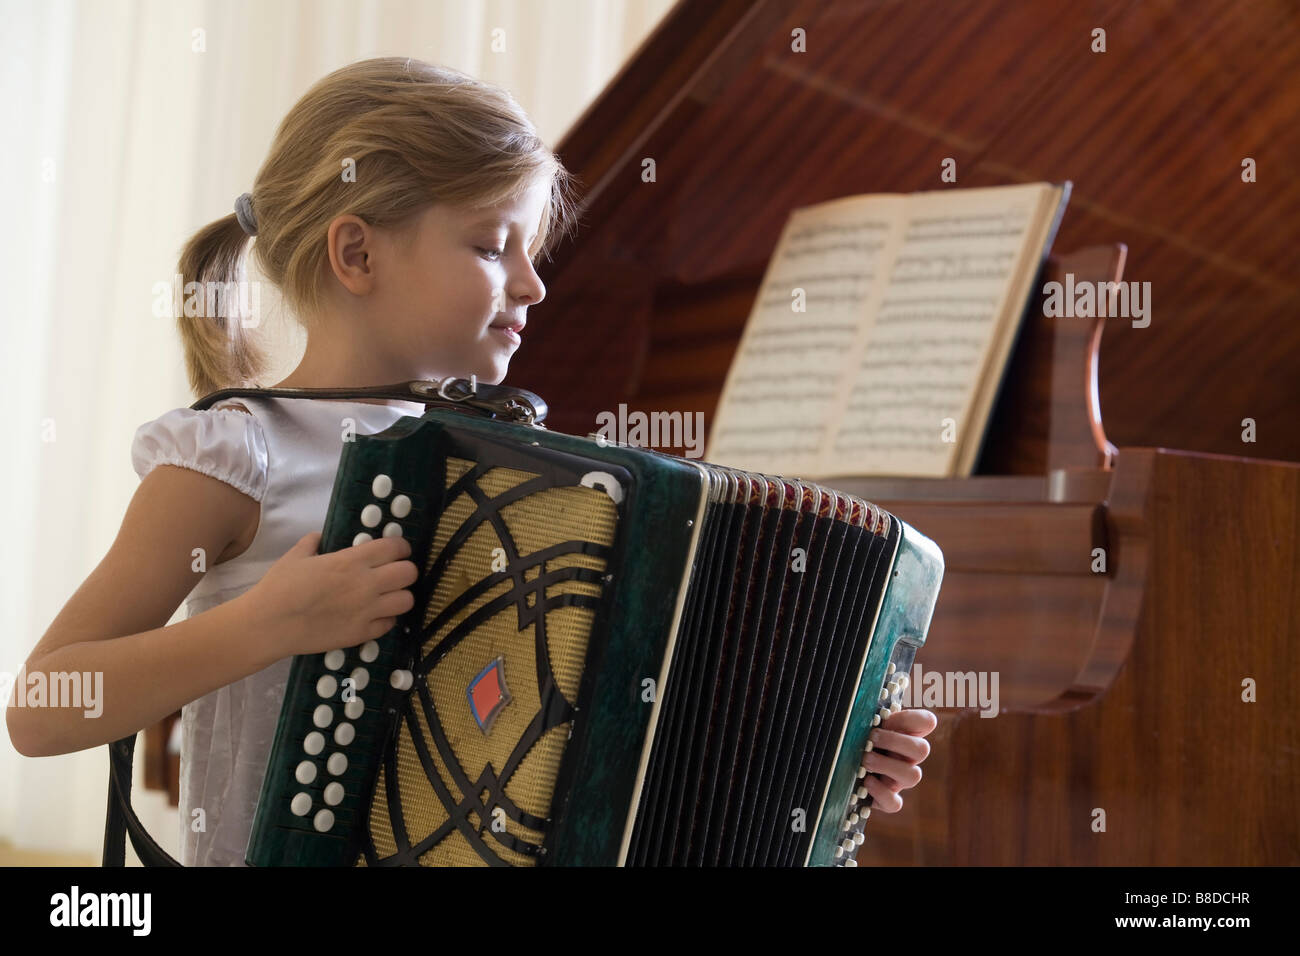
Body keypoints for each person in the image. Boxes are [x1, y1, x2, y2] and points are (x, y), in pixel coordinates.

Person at [5, 56, 936, 865]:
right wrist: (266, 625)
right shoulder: (238, 452)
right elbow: (42, 707)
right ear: (357, 252)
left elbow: (626, 708)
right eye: (494, 246)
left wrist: (831, 745)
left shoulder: (543, 486)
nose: (533, 284)